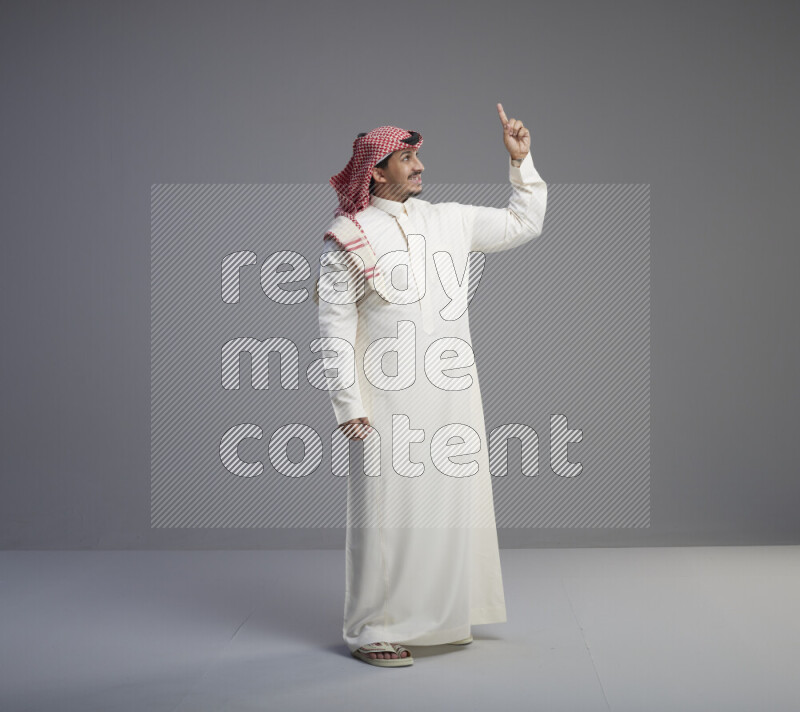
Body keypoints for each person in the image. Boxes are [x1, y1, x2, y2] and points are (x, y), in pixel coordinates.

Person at [315, 104, 547, 667]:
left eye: (418, 156)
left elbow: (525, 223)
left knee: (448, 505)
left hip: (451, 392)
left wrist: (522, 163)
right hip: (383, 398)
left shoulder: (449, 218)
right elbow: (333, 322)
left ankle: (439, 619)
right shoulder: (347, 234)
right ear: (375, 171)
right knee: (384, 512)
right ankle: (372, 629)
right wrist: (347, 403)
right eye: (407, 158)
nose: (419, 166)